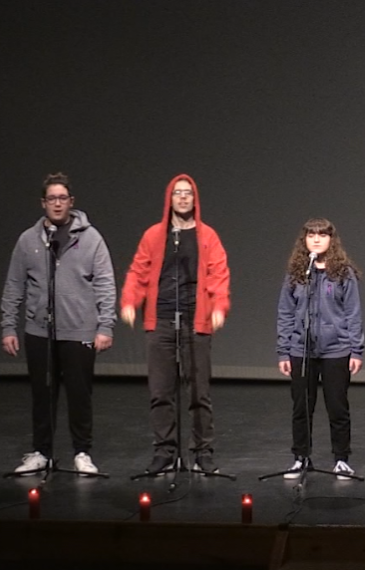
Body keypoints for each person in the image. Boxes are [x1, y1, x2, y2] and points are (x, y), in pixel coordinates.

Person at [1, 172, 115, 475]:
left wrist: (105, 326)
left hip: (79, 330)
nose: (57, 203)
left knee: (79, 395)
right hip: (40, 331)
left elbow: (105, 283)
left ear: (71, 201)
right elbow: (14, 285)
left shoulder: (91, 239)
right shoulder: (29, 240)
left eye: (62, 198)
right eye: (51, 198)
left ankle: (82, 452)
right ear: (43, 203)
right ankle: (42, 452)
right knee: (42, 395)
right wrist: (8, 327)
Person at [121, 174, 231, 475]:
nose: (183, 198)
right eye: (177, 193)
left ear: (195, 199)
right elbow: (138, 272)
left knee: (198, 392)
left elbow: (219, 275)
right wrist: (131, 301)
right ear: (169, 199)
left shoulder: (207, 236)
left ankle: (203, 452)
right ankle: (165, 451)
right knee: (161, 391)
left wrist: (219, 306)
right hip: (162, 322)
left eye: (188, 193)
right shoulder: (154, 236)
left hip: (195, 322)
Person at [276, 218, 364, 479]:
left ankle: (341, 459)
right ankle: (301, 457)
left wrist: (356, 350)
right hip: (301, 350)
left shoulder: (343, 273)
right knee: (301, 407)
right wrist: (284, 349)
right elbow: (286, 312)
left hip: (336, 349)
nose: (316, 239)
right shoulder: (297, 274)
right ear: (304, 240)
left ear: (331, 239)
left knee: (337, 407)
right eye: (311, 234)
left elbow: (353, 313)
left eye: (322, 234)